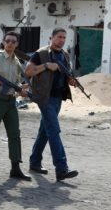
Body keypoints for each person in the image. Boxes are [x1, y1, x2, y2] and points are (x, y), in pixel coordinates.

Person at [24, 27, 79, 181]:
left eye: (64, 38)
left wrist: (71, 81)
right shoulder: (41, 54)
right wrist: (46, 65)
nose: (61, 40)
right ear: (52, 37)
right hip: (44, 97)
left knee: (45, 130)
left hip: (57, 97)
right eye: (59, 37)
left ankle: (35, 162)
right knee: (54, 130)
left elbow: (66, 74)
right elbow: (27, 71)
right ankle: (61, 169)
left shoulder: (65, 55)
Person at [0, 31, 31, 181]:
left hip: (11, 102)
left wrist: (22, 89)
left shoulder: (17, 62)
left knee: (14, 135)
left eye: (13, 42)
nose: (10, 44)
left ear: (17, 44)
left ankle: (15, 168)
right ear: (3, 42)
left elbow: (18, 82)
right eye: (8, 41)